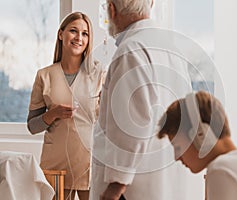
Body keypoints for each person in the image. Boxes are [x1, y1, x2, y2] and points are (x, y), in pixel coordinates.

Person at [90, 0, 202, 200]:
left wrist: (114, 188)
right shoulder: (171, 48)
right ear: (150, 4)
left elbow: (132, 125)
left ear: (112, 10)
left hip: (132, 187)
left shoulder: (131, 49)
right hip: (166, 178)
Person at [27, 12, 104, 200]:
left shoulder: (99, 74)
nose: (79, 38)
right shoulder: (44, 76)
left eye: (85, 34)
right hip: (55, 165)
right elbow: (32, 126)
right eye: (73, 31)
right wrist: (52, 114)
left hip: (89, 163)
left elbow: (109, 122)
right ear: (61, 34)